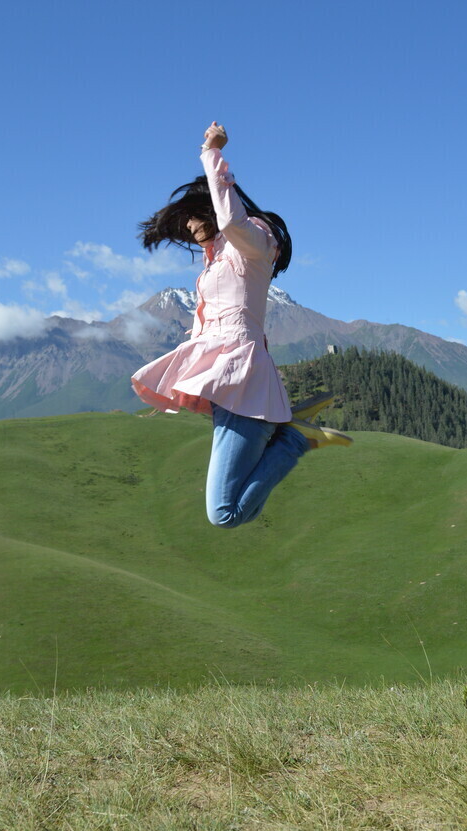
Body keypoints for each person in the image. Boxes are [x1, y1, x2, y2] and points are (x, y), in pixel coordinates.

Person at [131, 120, 352, 529]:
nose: (191, 230)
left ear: (212, 207)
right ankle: (283, 424)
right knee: (223, 510)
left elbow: (231, 221)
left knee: (223, 514)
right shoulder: (218, 257)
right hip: (227, 384)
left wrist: (211, 152)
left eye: (194, 219)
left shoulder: (254, 242)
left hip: (242, 378)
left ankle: (293, 441)